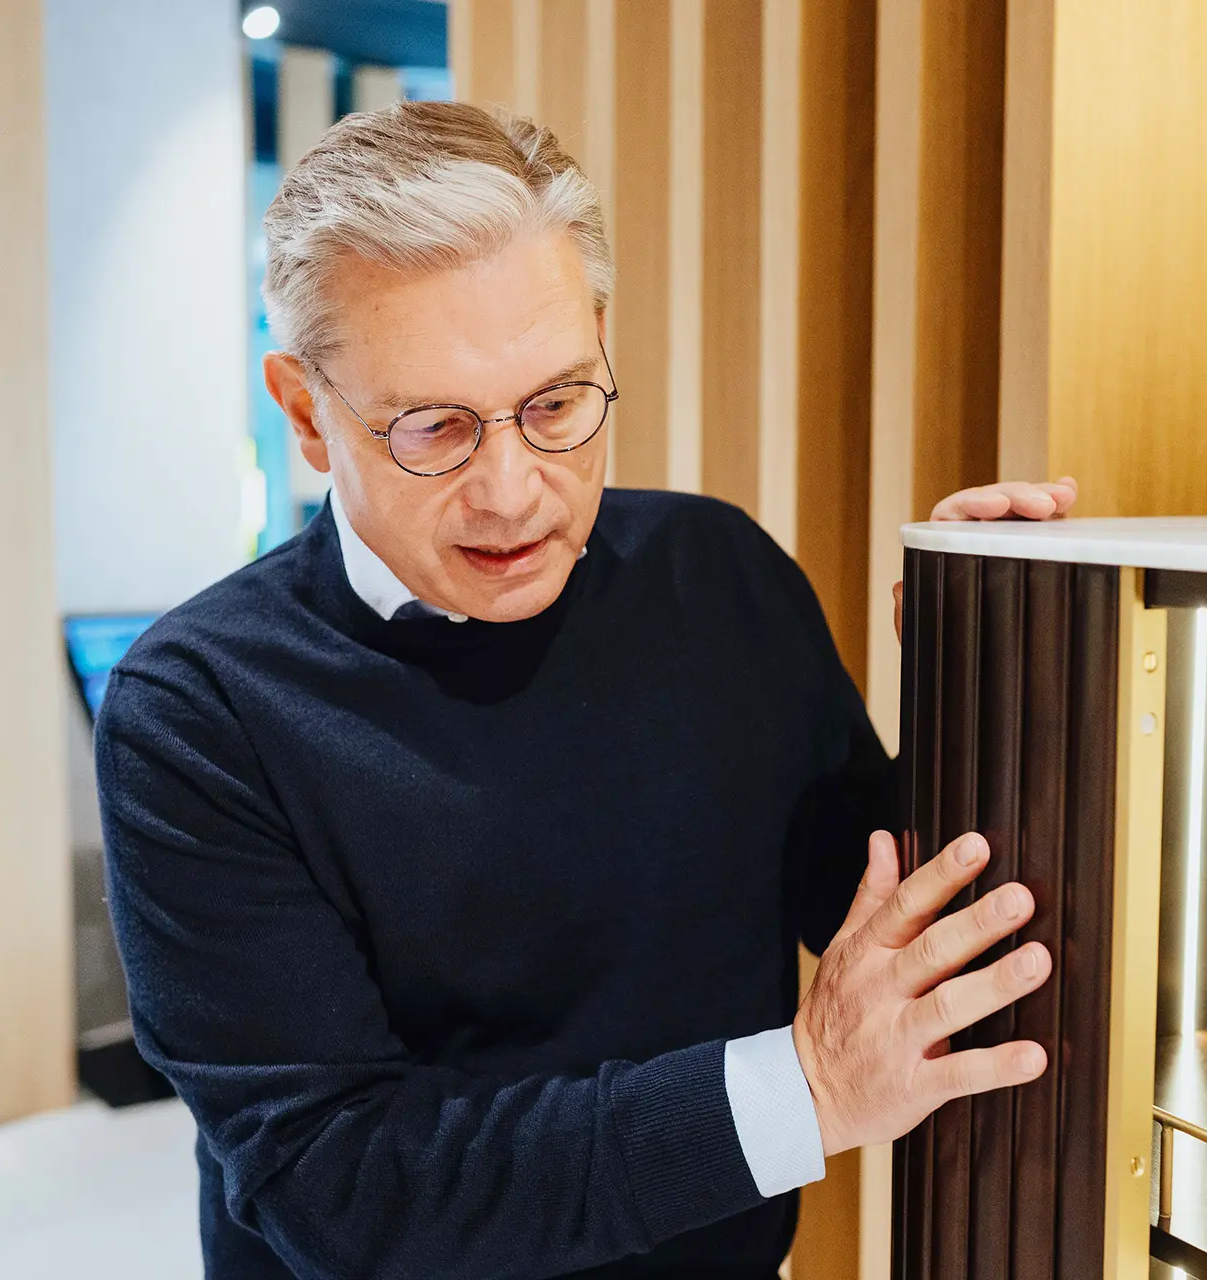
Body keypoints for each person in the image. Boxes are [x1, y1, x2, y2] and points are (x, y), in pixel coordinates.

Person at [97, 101, 1078, 1280]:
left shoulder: (719, 574)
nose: (514, 492)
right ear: (308, 413)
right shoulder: (198, 710)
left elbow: (905, 921)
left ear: (602, 340)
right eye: (435, 429)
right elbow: (344, 1188)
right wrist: (802, 1090)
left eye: (558, 403)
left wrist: (1001, 670)